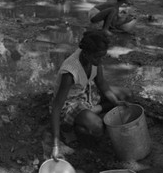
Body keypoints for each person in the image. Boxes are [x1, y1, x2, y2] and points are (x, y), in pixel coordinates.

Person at [50, 30, 131, 160]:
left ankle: (91, 112)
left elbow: (101, 83)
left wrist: (115, 102)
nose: (100, 61)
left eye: (102, 56)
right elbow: (56, 108)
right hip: (70, 103)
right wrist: (56, 145)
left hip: (86, 92)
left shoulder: (94, 59)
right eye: (97, 57)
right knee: (97, 126)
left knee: (125, 95)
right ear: (86, 54)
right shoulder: (70, 72)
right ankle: (71, 127)